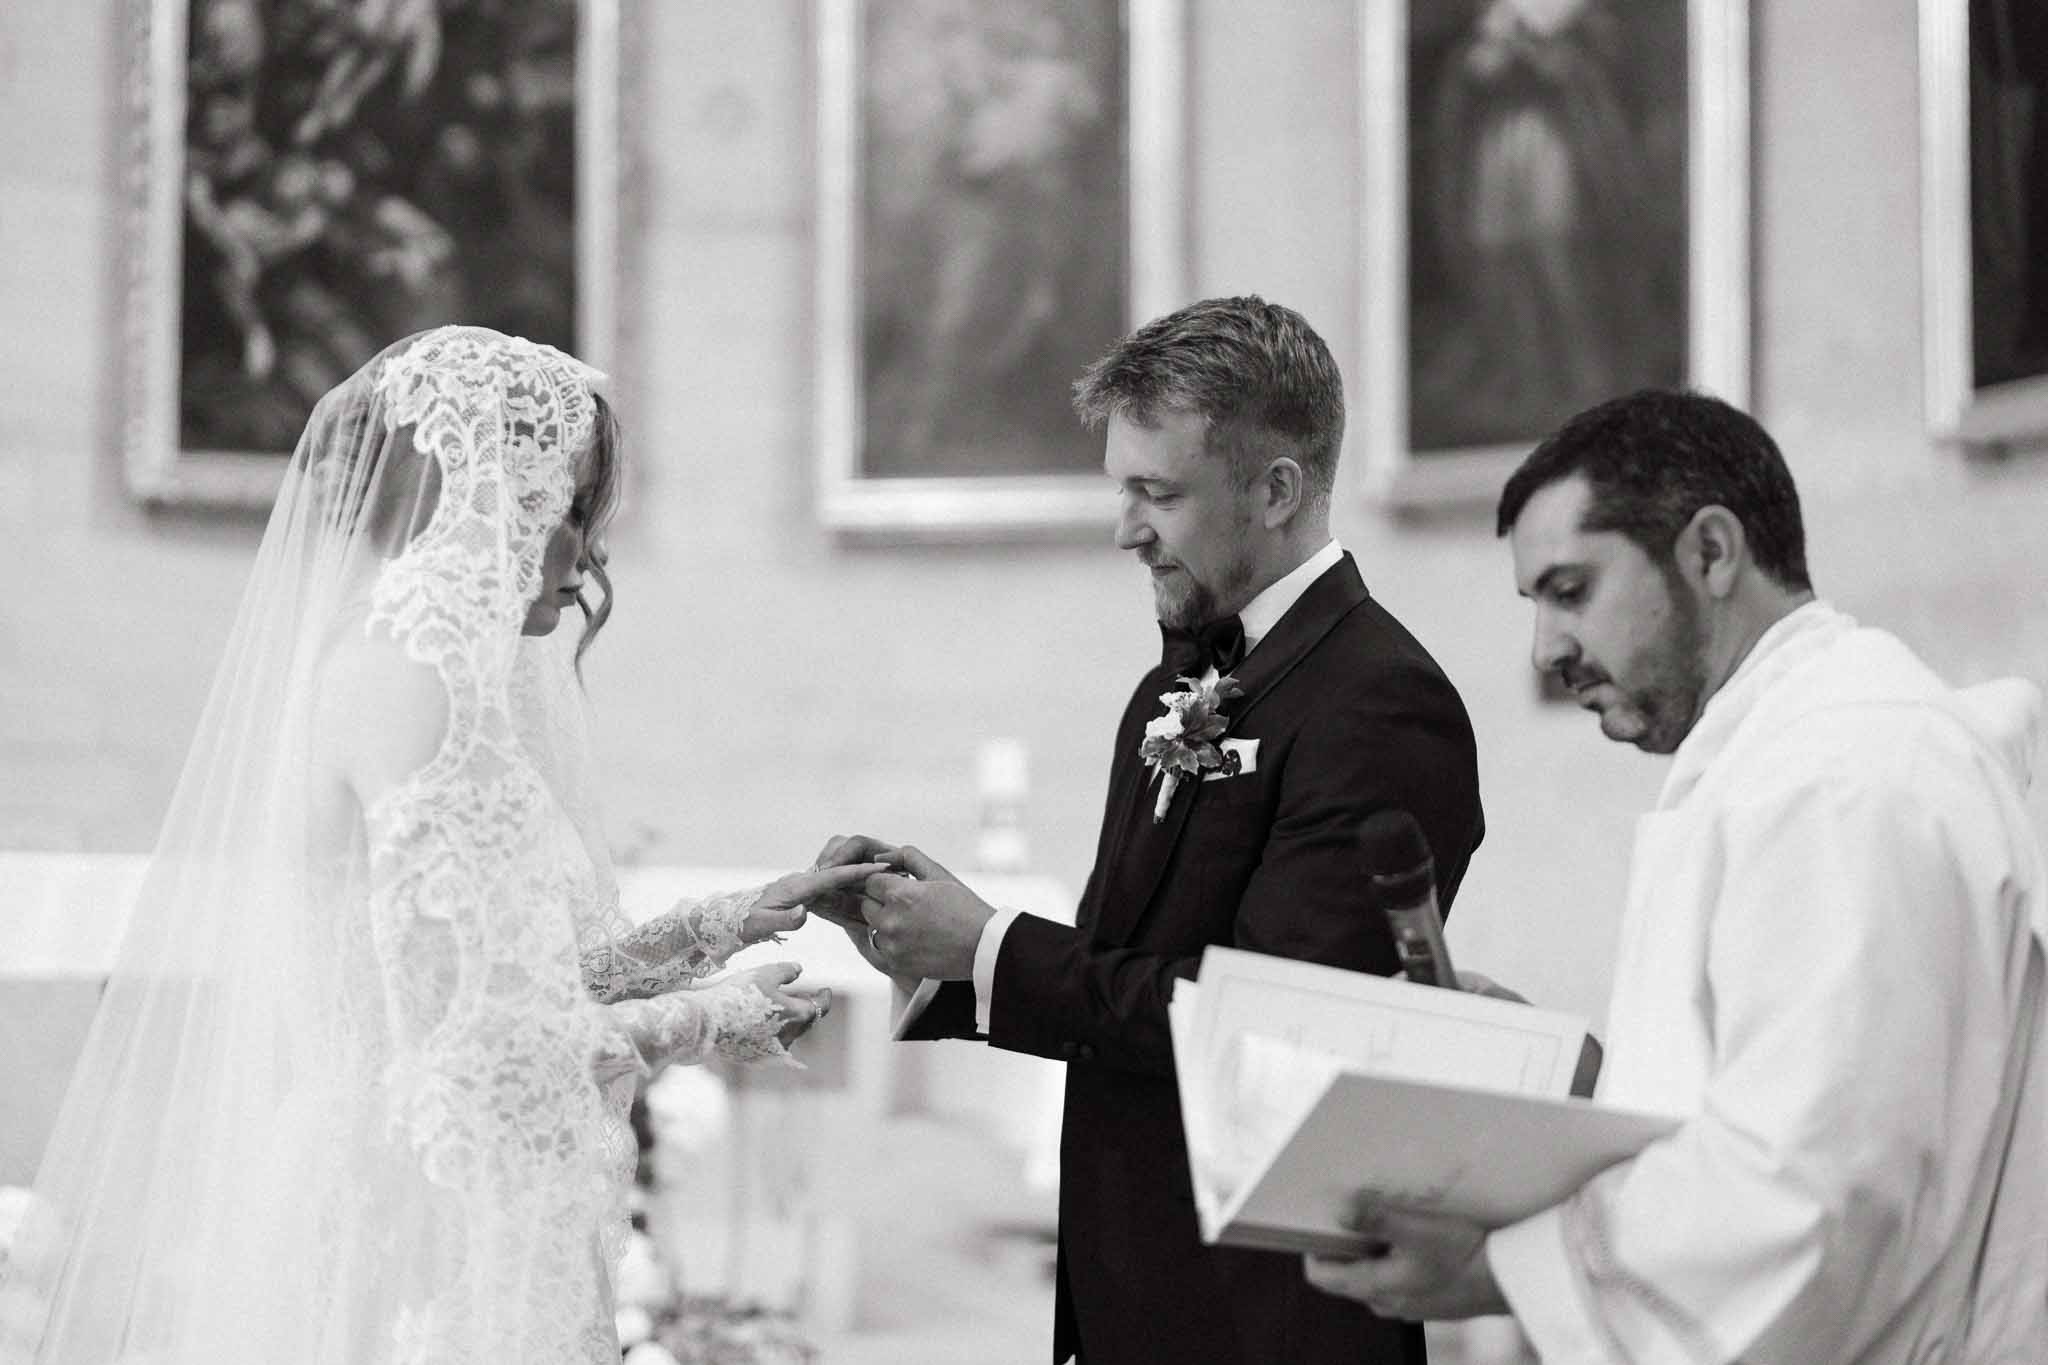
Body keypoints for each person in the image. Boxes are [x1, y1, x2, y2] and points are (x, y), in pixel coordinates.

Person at [2, 326, 884, 1364]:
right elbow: (490, 1055)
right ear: (482, 500)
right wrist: (712, 1019)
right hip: (414, 1224)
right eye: (564, 512)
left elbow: (504, 975)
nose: (588, 556)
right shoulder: (405, 680)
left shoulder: (423, 672)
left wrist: (717, 926)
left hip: (430, 1194)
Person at [1304, 389, 2048, 1362]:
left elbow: (1808, 1197)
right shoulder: (1797, 750)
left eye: (1570, 592)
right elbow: (1802, 1096)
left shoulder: (1834, 778)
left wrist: (1497, 1266)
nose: (1545, 651)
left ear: (1707, 552)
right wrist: (1569, 1083)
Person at [818, 296, 1486, 1364]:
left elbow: (1265, 1029)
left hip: (1264, 1319)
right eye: (1119, 489)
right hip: (1138, 1293)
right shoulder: (1173, 683)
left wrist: (990, 948)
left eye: (1156, 493)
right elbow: (1123, 970)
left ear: (1274, 490)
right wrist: (937, 955)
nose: (1124, 528)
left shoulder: (1379, 703)